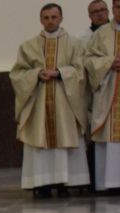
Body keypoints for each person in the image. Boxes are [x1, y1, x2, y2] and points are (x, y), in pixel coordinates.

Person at [10, 4, 90, 198]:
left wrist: (61, 72)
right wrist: (36, 74)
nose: (50, 21)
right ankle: (41, 183)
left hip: (64, 104)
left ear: (61, 18)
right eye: (46, 17)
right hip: (38, 104)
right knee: (39, 139)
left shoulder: (74, 44)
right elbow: (17, 74)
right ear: (41, 20)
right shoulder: (28, 46)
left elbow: (81, 72)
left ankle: (65, 182)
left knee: (64, 139)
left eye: (54, 17)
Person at [84, 1, 120, 190]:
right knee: (108, 136)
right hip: (109, 93)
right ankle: (111, 182)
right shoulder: (101, 34)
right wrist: (108, 63)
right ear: (112, 9)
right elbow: (89, 59)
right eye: (118, 7)